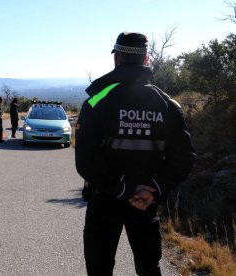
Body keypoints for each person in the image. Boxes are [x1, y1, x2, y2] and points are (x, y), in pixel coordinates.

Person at [75, 32, 196, 276]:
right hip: (145, 200)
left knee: (99, 269)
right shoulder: (167, 105)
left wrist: (121, 187)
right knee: (149, 268)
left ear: (116, 59)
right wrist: (154, 189)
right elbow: (184, 158)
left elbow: (86, 161)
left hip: (105, 200)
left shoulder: (97, 101)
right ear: (146, 59)